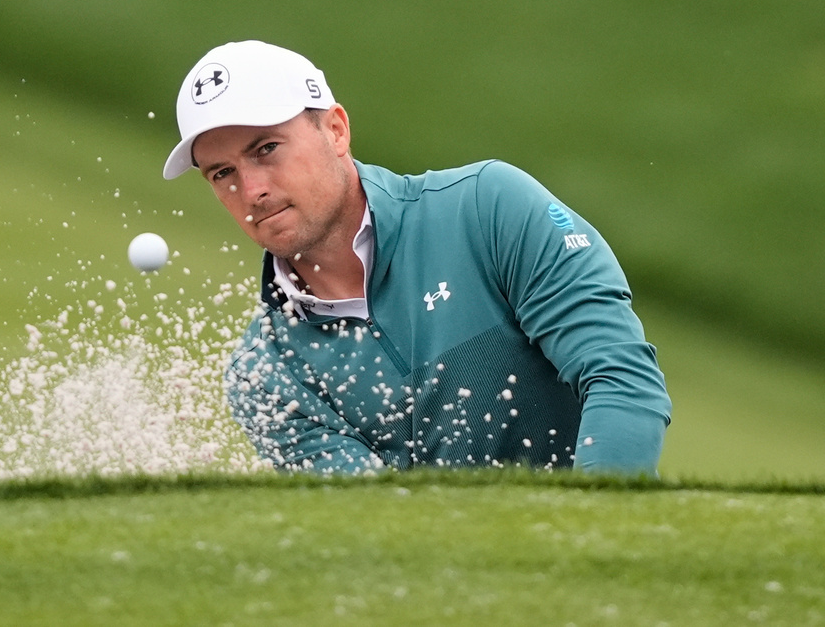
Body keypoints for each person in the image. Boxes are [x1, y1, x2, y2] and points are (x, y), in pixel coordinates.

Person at [162, 40, 671, 475]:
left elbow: (622, 381)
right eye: (221, 173)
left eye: (266, 149)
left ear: (336, 130)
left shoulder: (488, 208)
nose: (250, 190)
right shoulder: (266, 375)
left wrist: (589, 543)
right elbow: (383, 527)